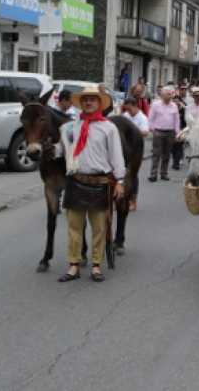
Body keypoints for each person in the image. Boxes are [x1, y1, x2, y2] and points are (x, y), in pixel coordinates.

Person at [52, 87, 125, 283]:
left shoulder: (109, 128)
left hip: (99, 183)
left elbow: (116, 156)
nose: (88, 102)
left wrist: (119, 181)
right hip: (75, 181)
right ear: (81, 103)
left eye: (92, 99)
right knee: (74, 227)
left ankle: (95, 265)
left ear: (99, 103)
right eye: (85, 100)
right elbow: (61, 150)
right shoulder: (70, 128)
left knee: (99, 228)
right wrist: (49, 147)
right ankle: (74, 265)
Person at [148, 86, 179, 181]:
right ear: (162, 95)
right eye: (168, 94)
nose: (170, 96)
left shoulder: (174, 106)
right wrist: (152, 129)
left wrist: (177, 132)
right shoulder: (155, 105)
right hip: (158, 132)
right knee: (156, 154)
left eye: (171, 94)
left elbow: (176, 120)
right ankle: (153, 174)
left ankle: (164, 173)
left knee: (167, 154)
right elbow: (151, 118)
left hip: (170, 132)